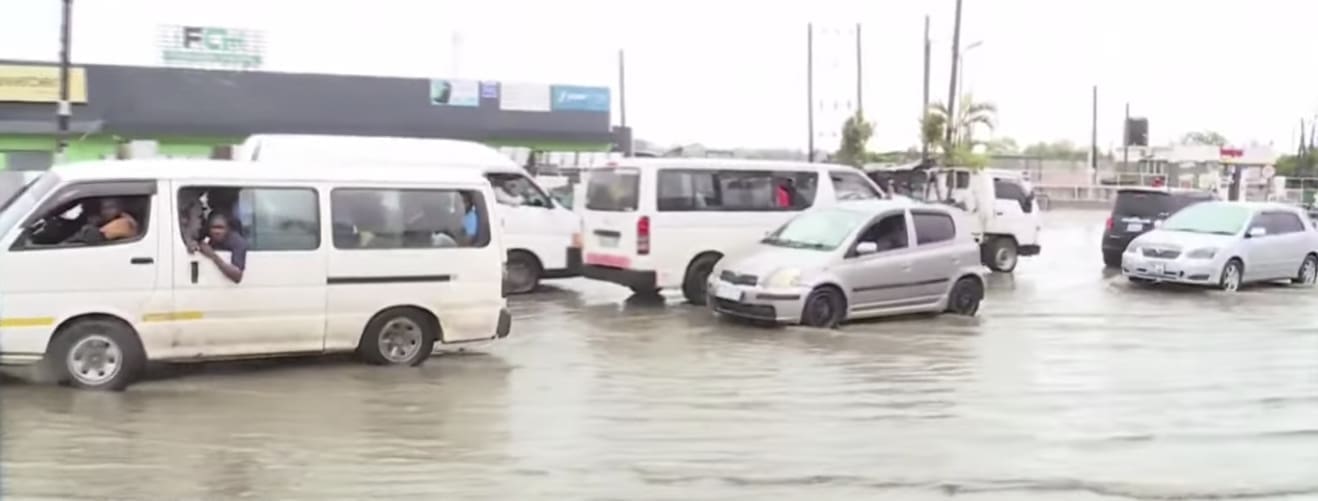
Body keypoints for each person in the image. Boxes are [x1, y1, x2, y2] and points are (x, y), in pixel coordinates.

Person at [197, 212, 247, 284]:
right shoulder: (210, 239)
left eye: (220, 228)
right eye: (214, 228)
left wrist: (213, 255)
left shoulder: (237, 242)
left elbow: (237, 276)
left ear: (228, 229)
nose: (217, 232)